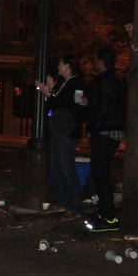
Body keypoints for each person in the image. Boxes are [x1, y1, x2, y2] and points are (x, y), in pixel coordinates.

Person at [36, 55, 85, 220]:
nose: (58, 67)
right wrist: (49, 92)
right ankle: (61, 201)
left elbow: (75, 105)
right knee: (57, 168)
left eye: (60, 64)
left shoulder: (75, 84)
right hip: (59, 130)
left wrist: (49, 94)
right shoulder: (63, 84)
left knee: (66, 168)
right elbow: (53, 105)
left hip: (67, 132)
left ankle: (75, 207)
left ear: (68, 66)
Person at [84, 49, 125, 232]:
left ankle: (108, 217)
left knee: (100, 174)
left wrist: (95, 129)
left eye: (95, 60)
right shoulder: (113, 80)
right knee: (100, 173)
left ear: (101, 62)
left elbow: (103, 107)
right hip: (108, 130)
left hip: (104, 131)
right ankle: (104, 213)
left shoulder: (105, 81)